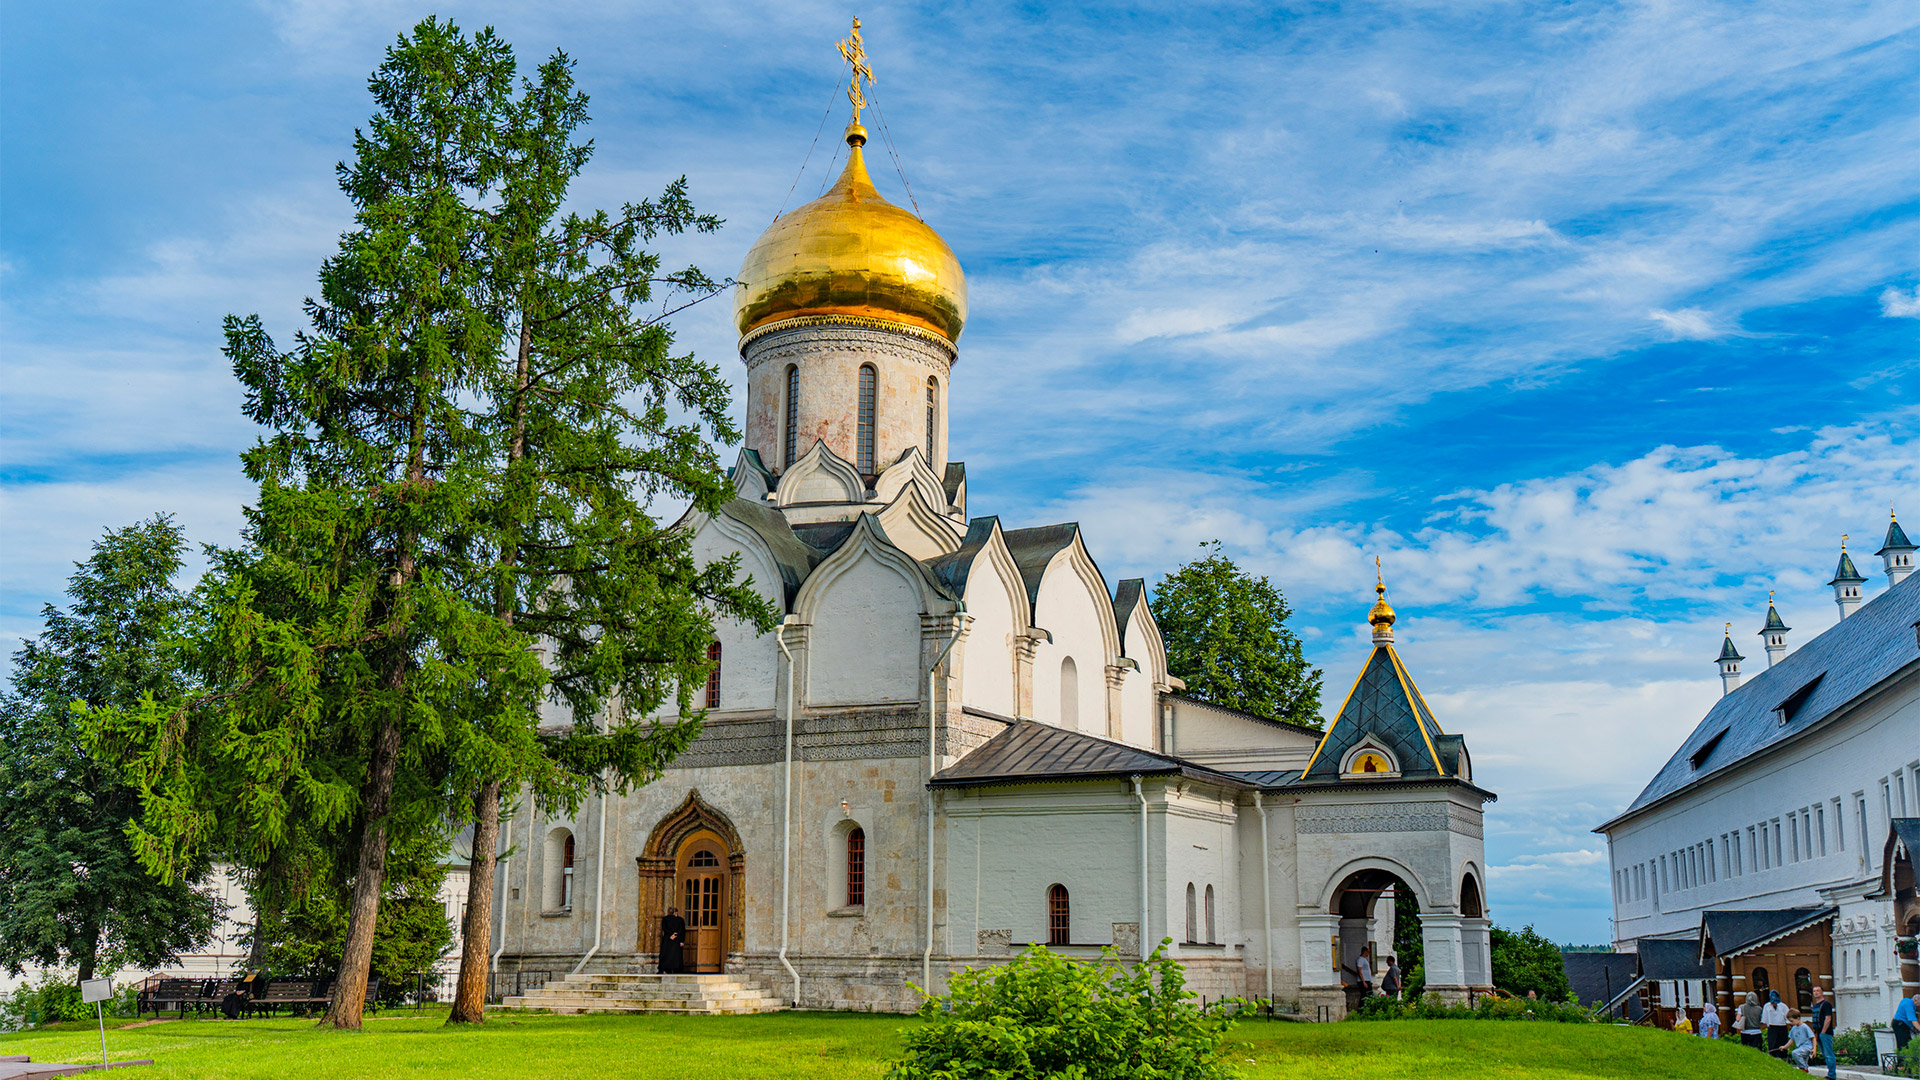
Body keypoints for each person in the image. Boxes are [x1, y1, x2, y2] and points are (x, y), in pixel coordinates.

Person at [1811, 985, 1837, 1079]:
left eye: (1818, 991)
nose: (1816, 992)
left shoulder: (1826, 1004)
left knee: (1829, 1054)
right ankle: (1830, 1073)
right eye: (1814, 991)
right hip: (1818, 1033)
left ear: (1822, 992)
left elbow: (1828, 1019)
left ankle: (1832, 1075)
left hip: (1825, 1033)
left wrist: (1823, 1032)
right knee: (1825, 1054)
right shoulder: (1815, 1006)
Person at [658, 905, 686, 974]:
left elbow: (664, 928)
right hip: (677, 939)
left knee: (666, 954)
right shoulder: (680, 920)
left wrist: (670, 934)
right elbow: (682, 930)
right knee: (676, 955)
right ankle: (676, 969)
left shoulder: (665, 919)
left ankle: (665, 969)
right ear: (675, 912)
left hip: (668, 938)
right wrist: (675, 935)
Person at [1762, 989, 1790, 1055]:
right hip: (1772, 1027)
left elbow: (1788, 1018)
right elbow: (1764, 1019)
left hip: (1782, 1027)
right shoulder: (1767, 1006)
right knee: (1772, 1045)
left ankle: (1783, 1058)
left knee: (1782, 1045)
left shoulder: (1783, 1006)